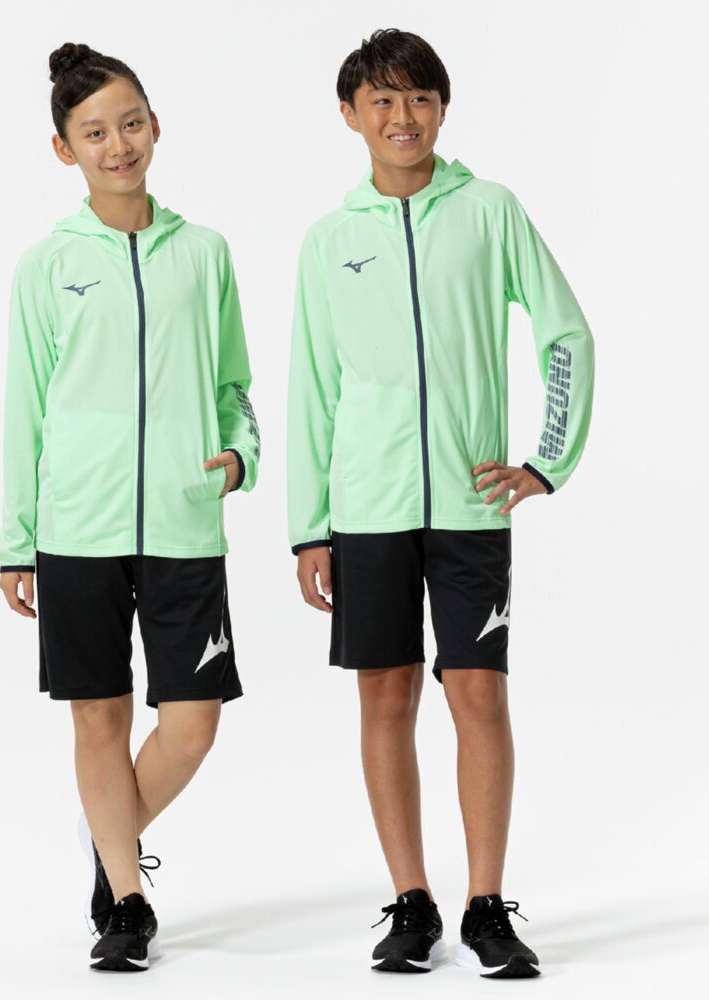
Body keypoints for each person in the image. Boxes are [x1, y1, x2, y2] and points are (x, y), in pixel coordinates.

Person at [287, 28, 594, 979]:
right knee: (386, 697)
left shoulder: (489, 211)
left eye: (418, 98)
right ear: (350, 115)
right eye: (381, 101)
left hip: (469, 506)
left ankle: (485, 905)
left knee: (478, 693)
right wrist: (308, 527)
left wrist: (546, 460)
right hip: (367, 511)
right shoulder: (331, 240)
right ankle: (412, 901)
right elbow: (312, 388)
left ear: (442, 108)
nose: (402, 117)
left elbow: (565, 332)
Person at [0, 42, 260, 973]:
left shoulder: (205, 253)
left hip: (186, 521)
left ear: (155, 126)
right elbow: (25, 408)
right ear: (64, 149)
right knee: (98, 721)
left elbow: (234, 386)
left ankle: (108, 837)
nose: (119, 145)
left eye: (131, 124)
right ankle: (127, 903)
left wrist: (240, 457)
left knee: (193, 722)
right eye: (96, 133)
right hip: (78, 528)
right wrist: (17, 541)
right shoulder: (47, 266)